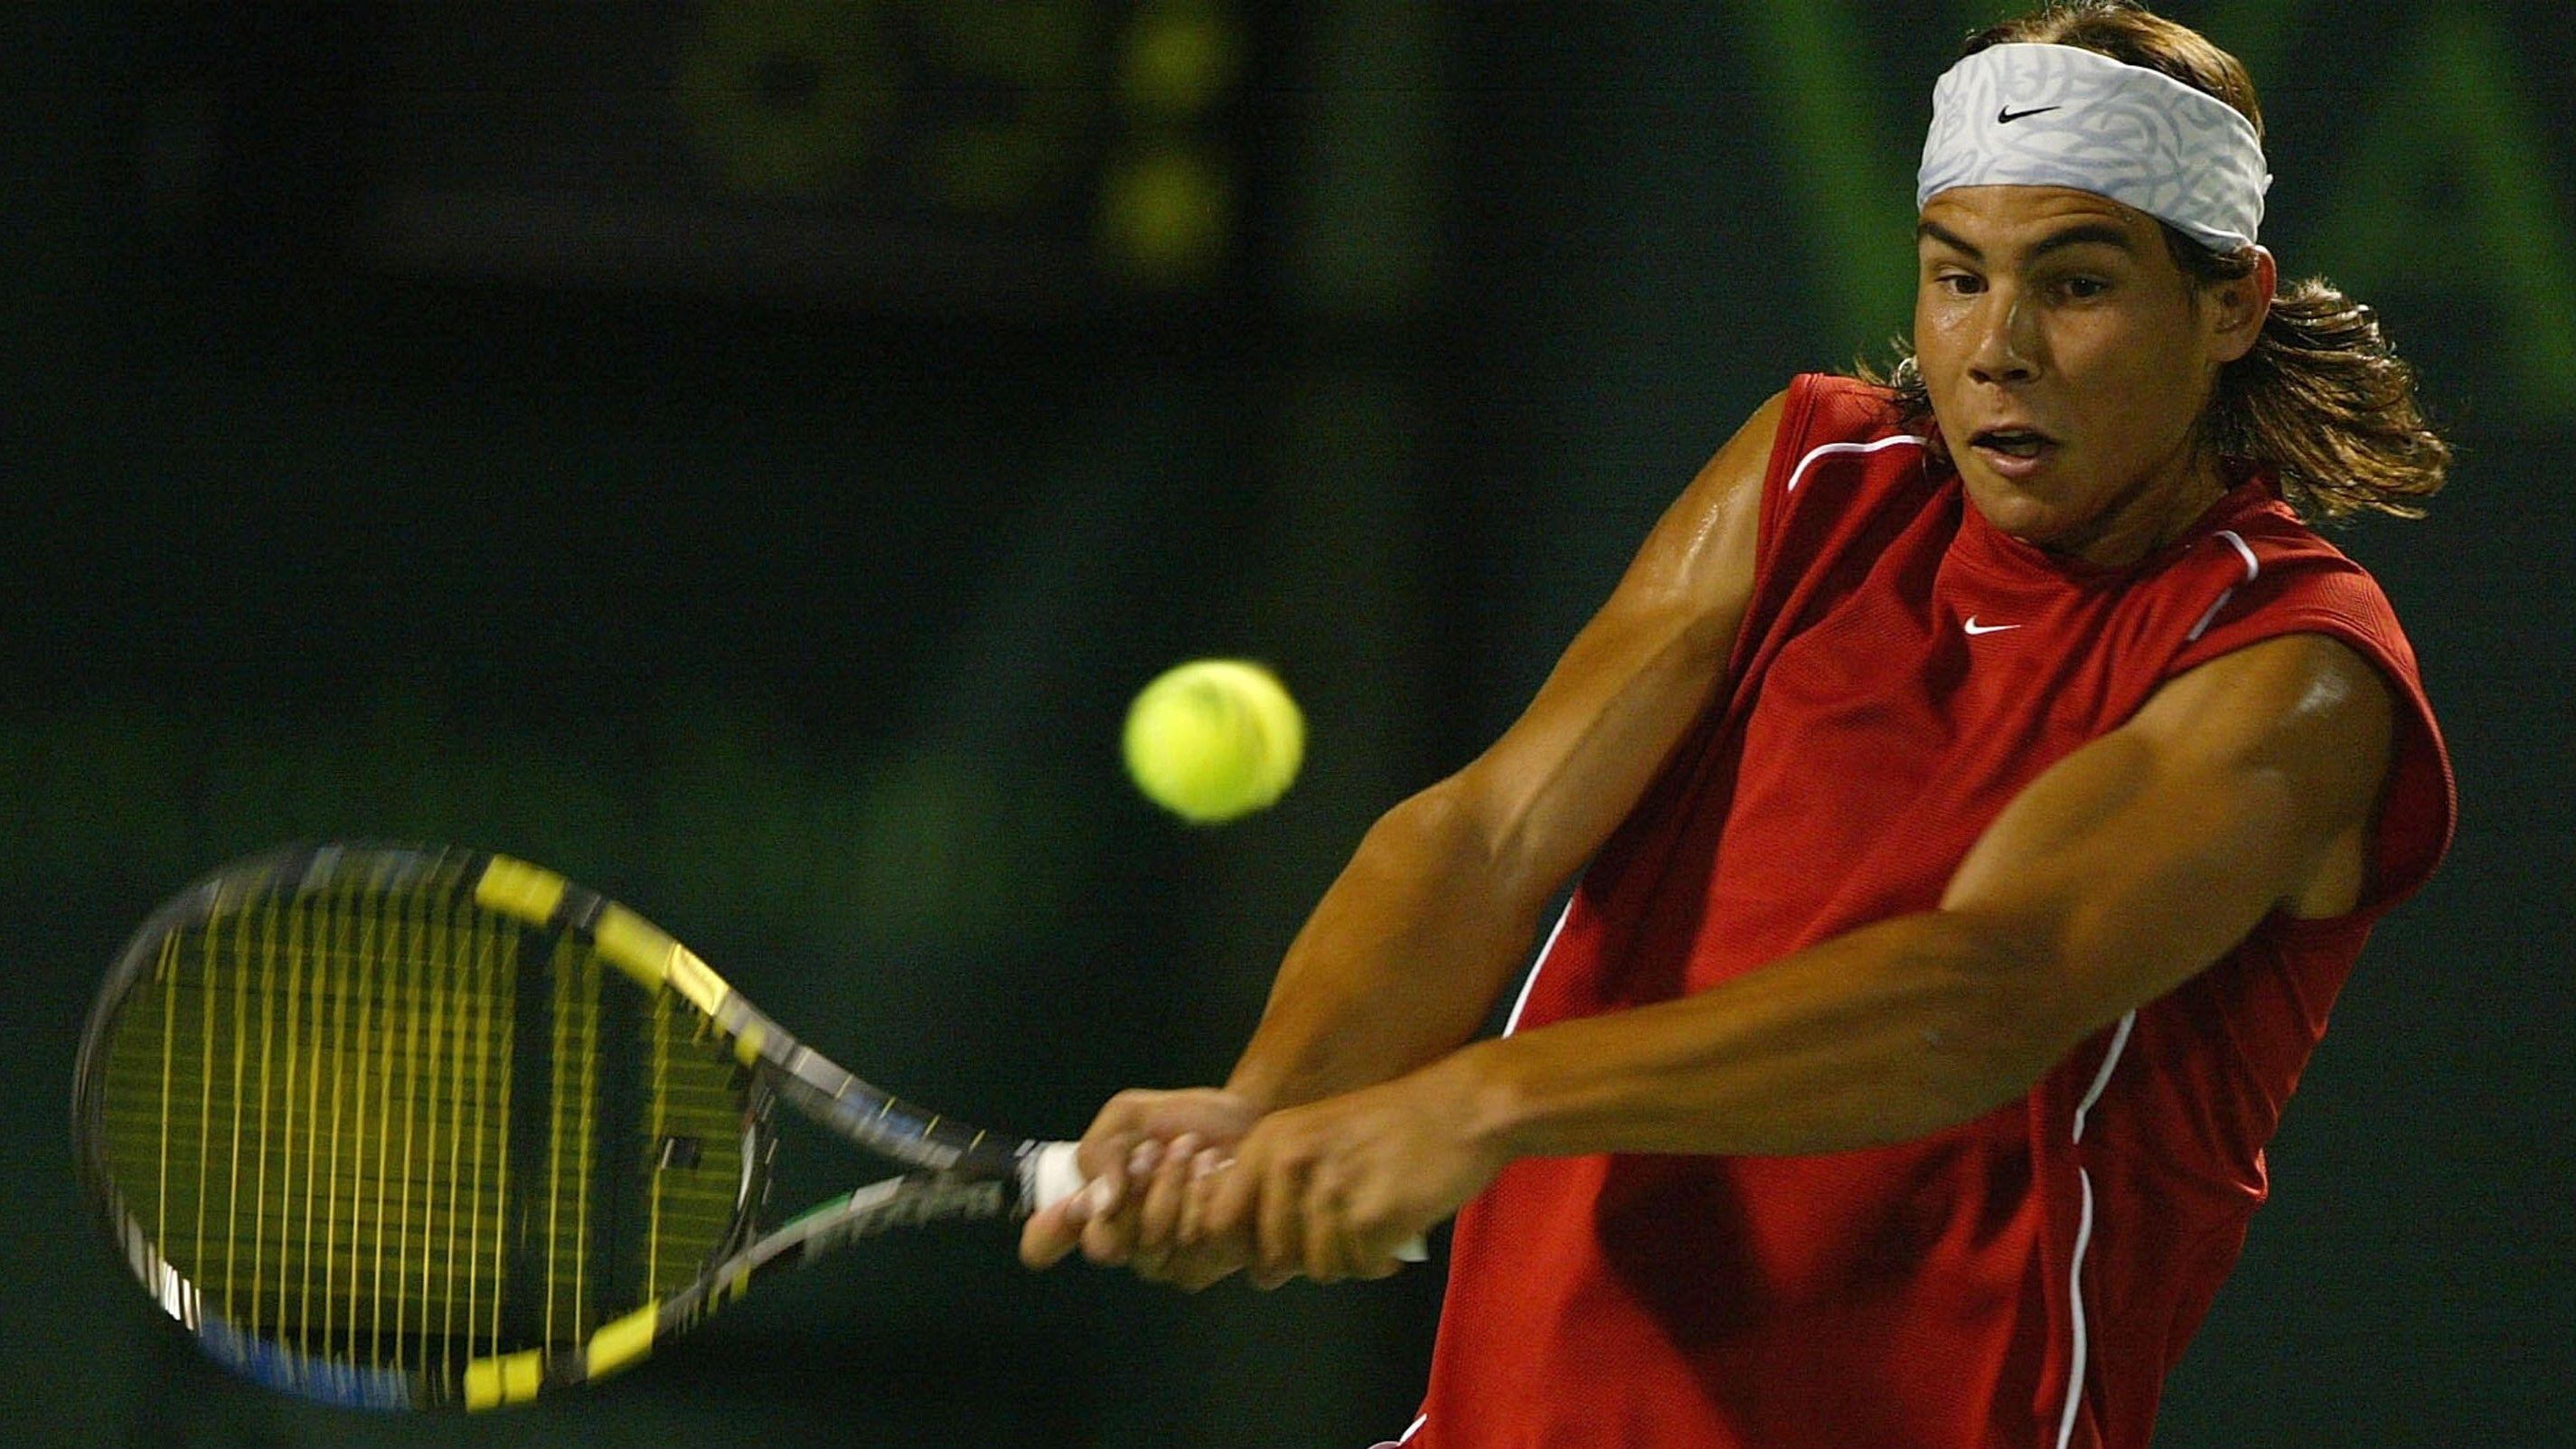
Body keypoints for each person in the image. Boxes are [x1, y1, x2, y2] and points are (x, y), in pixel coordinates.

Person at [1023, 4, 2456, 1445]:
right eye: (1956, 277)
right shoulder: (1814, 477)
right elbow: (1488, 832)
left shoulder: (2291, 668)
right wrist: (1267, 1105)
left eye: (2075, 285)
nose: (1996, 348)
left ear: (2231, 304)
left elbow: (1980, 995)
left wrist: (1485, 1099)